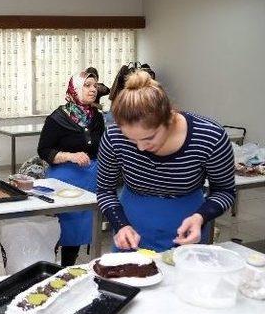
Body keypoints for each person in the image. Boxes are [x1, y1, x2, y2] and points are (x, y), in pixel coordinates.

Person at [97, 70, 235, 252]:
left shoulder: (210, 137)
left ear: (169, 118)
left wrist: (201, 217)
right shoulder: (114, 137)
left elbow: (225, 191)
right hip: (132, 223)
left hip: (187, 225)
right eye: (131, 140)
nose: (141, 148)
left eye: (149, 138)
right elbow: (105, 190)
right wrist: (121, 225)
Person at [37, 71, 104, 266]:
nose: (93, 89)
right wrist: (71, 156)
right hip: (65, 178)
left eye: (95, 86)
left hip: (91, 177)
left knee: (86, 224)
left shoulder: (96, 117)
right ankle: (64, 267)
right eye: (87, 85)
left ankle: (78, 266)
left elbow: (101, 146)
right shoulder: (57, 118)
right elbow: (44, 151)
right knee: (68, 225)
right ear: (74, 89)